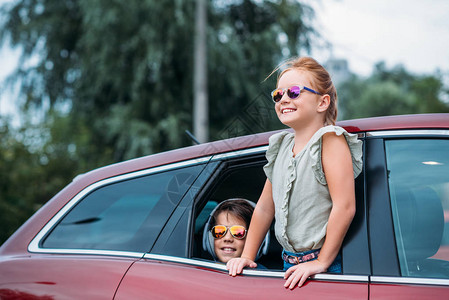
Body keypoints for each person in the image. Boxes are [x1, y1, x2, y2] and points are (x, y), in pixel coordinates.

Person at [226, 57, 363, 289]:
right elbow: (264, 208)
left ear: (322, 102)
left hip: (324, 266)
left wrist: (321, 262)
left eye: (294, 92)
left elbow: (345, 206)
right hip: (288, 264)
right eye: (278, 95)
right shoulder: (280, 146)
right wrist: (247, 255)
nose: (284, 99)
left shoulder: (329, 141)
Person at [202, 198, 269, 264]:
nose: (227, 238)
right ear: (210, 238)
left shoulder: (261, 274)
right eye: (219, 231)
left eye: (238, 232)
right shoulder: (202, 272)